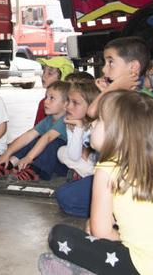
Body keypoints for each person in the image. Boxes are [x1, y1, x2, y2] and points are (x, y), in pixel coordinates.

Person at [44, 90, 153, 275]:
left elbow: (100, 232)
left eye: (99, 121)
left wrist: (105, 234)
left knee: (60, 236)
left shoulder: (107, 169)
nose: (92, 124)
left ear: (117, 133)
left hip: (143, 268)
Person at [0, 81, 70, 181]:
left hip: (63, 166)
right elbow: (28, 136)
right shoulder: (48, 120)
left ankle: (33, 170)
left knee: (54, 142)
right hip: (47, 160)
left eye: (51, 98)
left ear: (66, 104)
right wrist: (7, 153)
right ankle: (10, 165)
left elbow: (48, 137)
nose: (46, 101)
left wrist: (29, 157)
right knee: (34, 139)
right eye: (46, 97)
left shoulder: (66, 120)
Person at [54, 81, 101, 217]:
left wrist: (80, 130)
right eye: (68, 101)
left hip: (100, 170)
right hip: (87, 165)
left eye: (75, 103)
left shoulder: (98, 125)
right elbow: (74, 155)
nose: (68, 106)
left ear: (91, 106)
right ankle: (85, 178)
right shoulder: (74, 122)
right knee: (61, 151)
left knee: (64, 195)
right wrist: (78, 129)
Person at [33, 56, 74, 125]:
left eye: (50, 73)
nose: (43, 76)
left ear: (62, 78)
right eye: (44, 71)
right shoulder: (44, 102)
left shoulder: (44, 103)